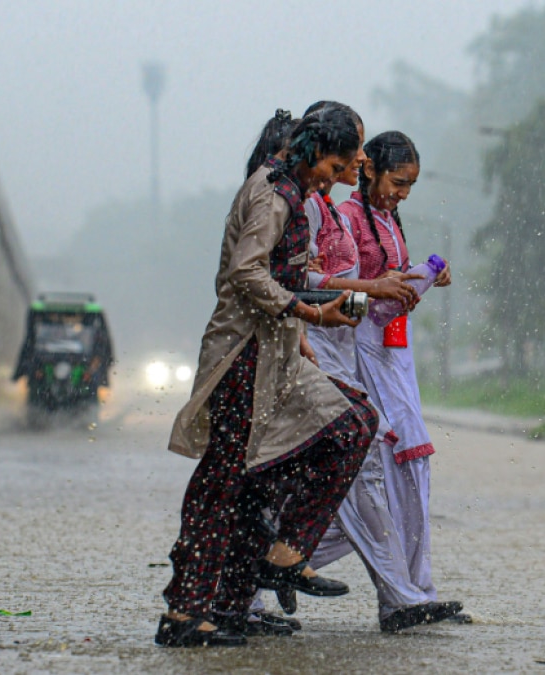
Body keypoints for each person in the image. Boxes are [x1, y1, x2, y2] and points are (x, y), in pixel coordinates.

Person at [155, 105, 378, 648]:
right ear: (312, 151)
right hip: (242, 360)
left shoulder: (296, 193)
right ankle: (187, 612)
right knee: (225, 484)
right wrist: (309, 315)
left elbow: (285, 273)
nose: (340, 174)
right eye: (337, 163)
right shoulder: (274, 193)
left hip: (276, 354)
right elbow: (245, 272)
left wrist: (309, 320)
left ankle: (269, 569)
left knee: (348, 426)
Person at [337, 130, 466, 631]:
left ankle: (415, 591)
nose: (402, 193)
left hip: (394, 358)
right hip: (359, 358)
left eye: (410, 185)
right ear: (367, 169)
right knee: (367, 482)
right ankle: (402, 595)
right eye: (397, 181)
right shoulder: (345, 222)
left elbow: (386, 293)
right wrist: (377, 294)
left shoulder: (389, 220)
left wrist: (418, 279)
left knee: (411, 474)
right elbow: (334, 300)